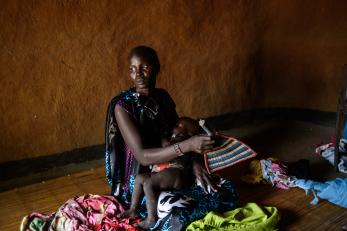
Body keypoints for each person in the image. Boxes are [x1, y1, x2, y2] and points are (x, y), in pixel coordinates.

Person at [105, 45, 238, 230]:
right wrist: (187, 148)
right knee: (179, 206)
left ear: (157, 68)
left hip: (173, 167)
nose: (139, 74)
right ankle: (148, 213)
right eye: (133, 69)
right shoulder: (123, 106)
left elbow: (180, 136)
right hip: (141, 179)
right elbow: (142, 156)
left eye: (145, 67)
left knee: (221, 189)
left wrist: (195, 162)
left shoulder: (162, 97)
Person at [118, 117, 203, 229]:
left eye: (180, 126)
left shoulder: (184, 140)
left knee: (148, 183)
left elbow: (168, 147)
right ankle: (133, 209)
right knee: (139, 178)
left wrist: (163, 137)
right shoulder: (176, 137)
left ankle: (151, 219)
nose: (175, 127)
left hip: (175, 172)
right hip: (166, 171)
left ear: (189, 133)